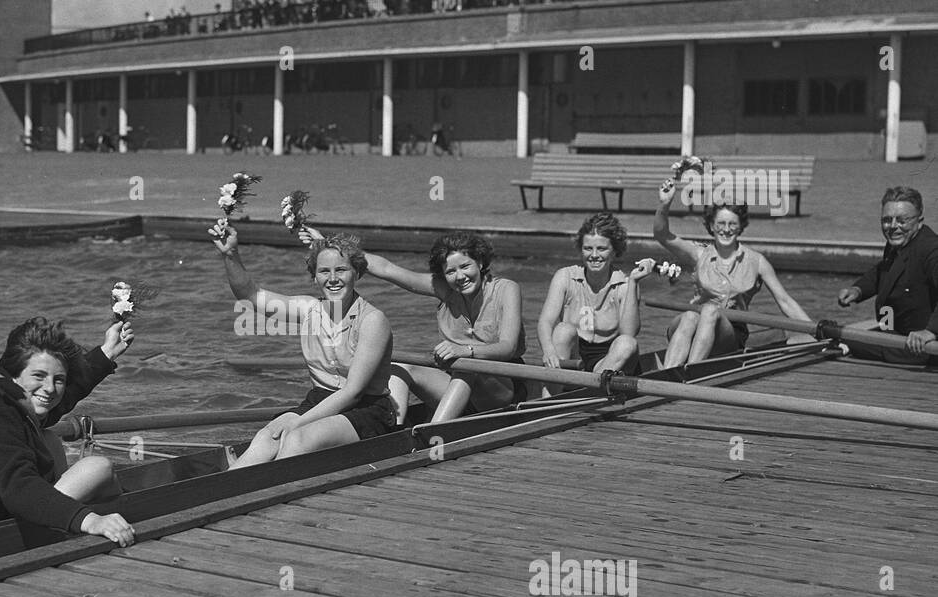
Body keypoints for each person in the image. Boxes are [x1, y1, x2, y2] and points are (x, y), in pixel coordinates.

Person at [0, 316, 136, 547]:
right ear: (14, 374)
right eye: (39, 376)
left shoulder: (9, 395)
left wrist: (106, 353)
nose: (49, 388)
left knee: (49, 439)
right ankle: (116, 515)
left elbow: (62, 397)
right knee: (98, 468)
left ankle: (95, 510)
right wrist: (88, 520)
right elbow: (17, 485)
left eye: (58, 379)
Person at [211, 225, 396, 465]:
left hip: (368, 410)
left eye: (341, 270)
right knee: (266, 437)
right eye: (323, 272)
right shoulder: (308, 309)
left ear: (357, 273)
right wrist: (230, 255)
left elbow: (353, 392)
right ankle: (224, 490)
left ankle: (266, 492)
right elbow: (251, 296)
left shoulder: (373, 320)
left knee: (297, 439)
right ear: (314, 276)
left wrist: (298, 422)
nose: (332, 279)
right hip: (318, 400)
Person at [303, 227, 525, 423]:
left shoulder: (506, 289)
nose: (459, 276)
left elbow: (508, 347)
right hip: (458, 383)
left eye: (465, 266)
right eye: (450, 272)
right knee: (399, 368)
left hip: (503, 389)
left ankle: (431, 436)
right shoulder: (444, 290)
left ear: (481, 262)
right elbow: (387, 269)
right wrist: (329, 247)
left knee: (467, 366)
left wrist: (465, 350)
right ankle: (393, 431)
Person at [655, 168, 813, 366]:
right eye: (721, 223)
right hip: (690, 326)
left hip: (730, 336)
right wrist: (664, 204)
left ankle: (691, 371)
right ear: (711, 226)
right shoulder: (699, 254)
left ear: (741, 227)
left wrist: (816, 332)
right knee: (689, 316)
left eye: (732, 224)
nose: (726, 230)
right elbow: (663, 235)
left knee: (711, 311)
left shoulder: (757, 261)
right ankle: (668, 374)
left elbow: (785, 301)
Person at [537, 213, 655, 380]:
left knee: (627, 344)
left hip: (610, 359)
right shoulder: (564, 277)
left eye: (601, 249)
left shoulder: (626, 285)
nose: (594, 255)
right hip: (574, 356)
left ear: (614, 251)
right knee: (562, 330)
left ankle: (587, 388)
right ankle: (548, 399)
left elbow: (629, 332)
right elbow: (545, 322)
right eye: (588, 248)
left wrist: (634, 283)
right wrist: (549, 352)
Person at [838, 186, 938, 363]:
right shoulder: (896, 243)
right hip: (892, 333)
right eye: (886, 220)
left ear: (919, 221)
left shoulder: (932, 250)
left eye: (902, 220)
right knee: (839, 333)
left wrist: (930, 332)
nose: (892, 227)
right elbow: (883, 270)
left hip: (919, 348)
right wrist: (858, 290)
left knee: (840, 337)